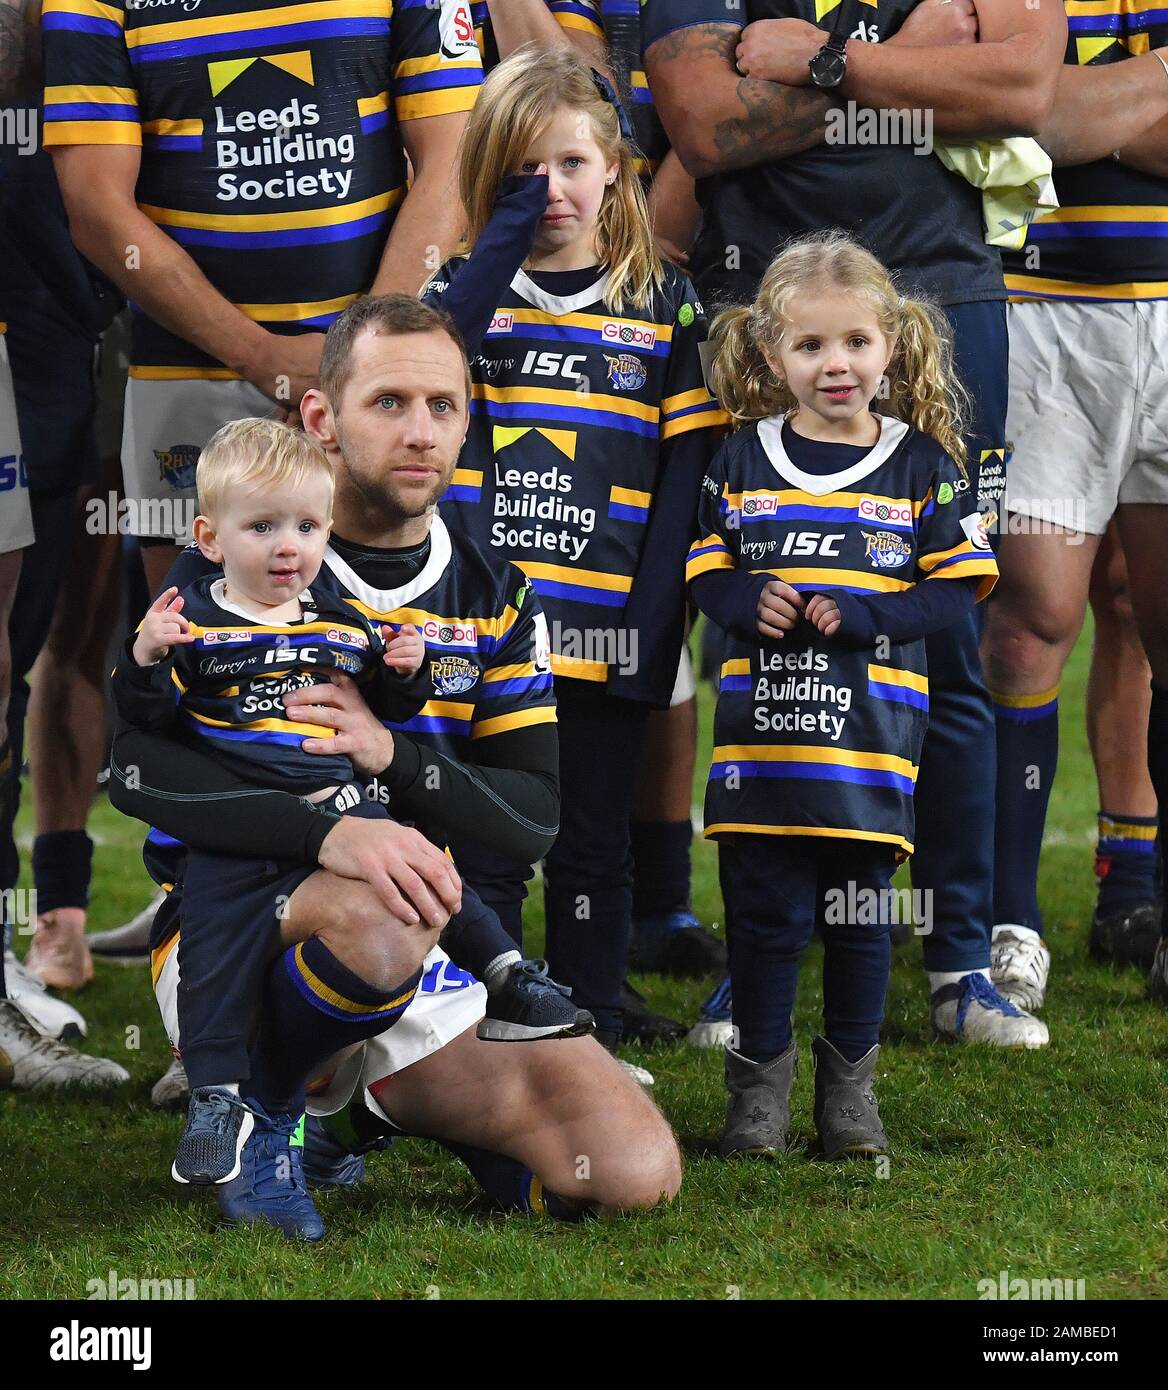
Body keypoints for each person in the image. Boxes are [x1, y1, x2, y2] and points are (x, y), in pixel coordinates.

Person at [110, 293, 682, 1236]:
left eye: (444, 406)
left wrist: (390, 754)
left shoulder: (496, 590)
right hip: (246, 928)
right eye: (388, 403)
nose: (421, 433)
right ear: (322, 418)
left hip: (427, 928)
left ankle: (361, 1115)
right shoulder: (247, 554)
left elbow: (532, 816)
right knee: (383, 908)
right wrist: (331, 833)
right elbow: (132, 770)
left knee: (631, 1172)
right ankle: (264, 1113)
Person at [644, 0, 1064, 1048]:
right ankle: (759, 963)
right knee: (758, 628)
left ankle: (959, 959)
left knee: (947, 634)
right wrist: (919, 77)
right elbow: (700, 123)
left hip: (940, 301)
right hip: (762, 307)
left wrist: (823, 63)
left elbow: (1021, 92)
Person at [428, 46, 727, 1068]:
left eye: (567, 166)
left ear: (613, 170)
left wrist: (654, 619)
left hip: (605, 626)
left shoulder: (663, 304)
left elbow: (687, 473)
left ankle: (588, 1011)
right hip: (487, 631)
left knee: (592, 835)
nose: (549, 192)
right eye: (520, 173)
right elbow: (425, 365)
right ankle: (483, 1018)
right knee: (494, 834)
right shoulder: (461, 295)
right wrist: (497, 240)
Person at [688, 232, 1001, 1159]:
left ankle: (850, 1096)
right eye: (812, 346)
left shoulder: (923, 468)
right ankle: (759, 1093)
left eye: (857, 343)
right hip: (761, 757)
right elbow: (704, 573)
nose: (837, 365)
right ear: (772, 354)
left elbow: (963, 584)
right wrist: (745, 597)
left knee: (863, 921)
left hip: (866, 754)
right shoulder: (740, 461)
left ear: (893, 346)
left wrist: (878, 616)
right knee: (765, 917)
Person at [982, 11, 1168, 1009]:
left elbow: (1048, 113)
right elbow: (1013, 113)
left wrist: (1071, 108)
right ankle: (1005, 926)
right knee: (1026, 625)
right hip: (1041, 310)